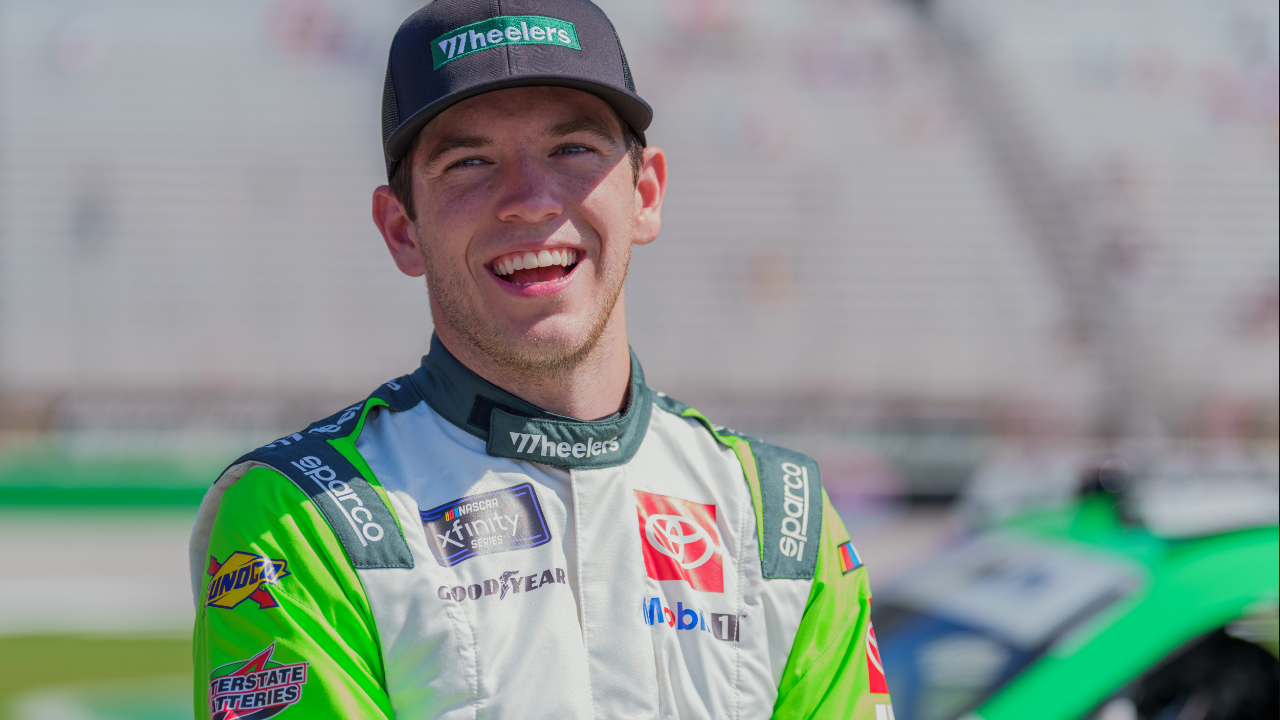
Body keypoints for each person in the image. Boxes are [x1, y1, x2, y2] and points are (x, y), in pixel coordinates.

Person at [189, 0, 894, 717]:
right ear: (402, 231)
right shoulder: (307, 514)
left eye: (572, 150)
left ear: (645, 196)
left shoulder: (782, 518)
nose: (528, 201)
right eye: (469, 162)